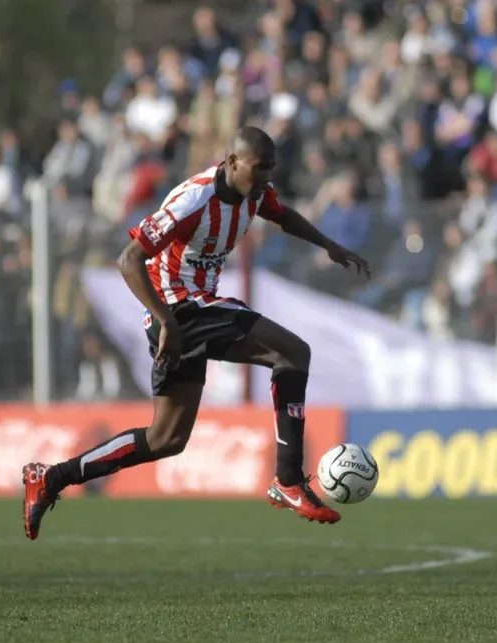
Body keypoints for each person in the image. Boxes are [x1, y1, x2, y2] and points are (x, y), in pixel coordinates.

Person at [22, 126, 370, 540]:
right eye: (259, 168)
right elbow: (129, 260)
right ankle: (289, 480)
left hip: (191, 313)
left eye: (270, 170)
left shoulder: (255, 191)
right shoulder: (194, 200)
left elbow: (282, 214)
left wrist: (328, 244)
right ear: (232, 162)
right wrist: (166, 321)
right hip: (178, 310)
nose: (265, 178)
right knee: (292, 353)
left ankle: (51, 477)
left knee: (166, 439)